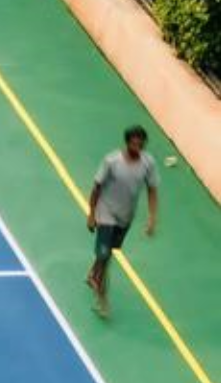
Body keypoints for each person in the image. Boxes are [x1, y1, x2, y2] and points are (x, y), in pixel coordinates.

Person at [85, 125, 159, 317]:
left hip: (125, 216)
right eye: (135, 142)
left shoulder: (148, 163)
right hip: (105, 212)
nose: (138, 145)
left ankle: (93, 272)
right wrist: (92, 213)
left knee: (109, 252)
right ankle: (102, 300)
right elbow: (96, 187)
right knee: (105, 255)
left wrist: (151, 217)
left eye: (141, 142)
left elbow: (152, 190)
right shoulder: (112, 161)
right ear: (127, 143)